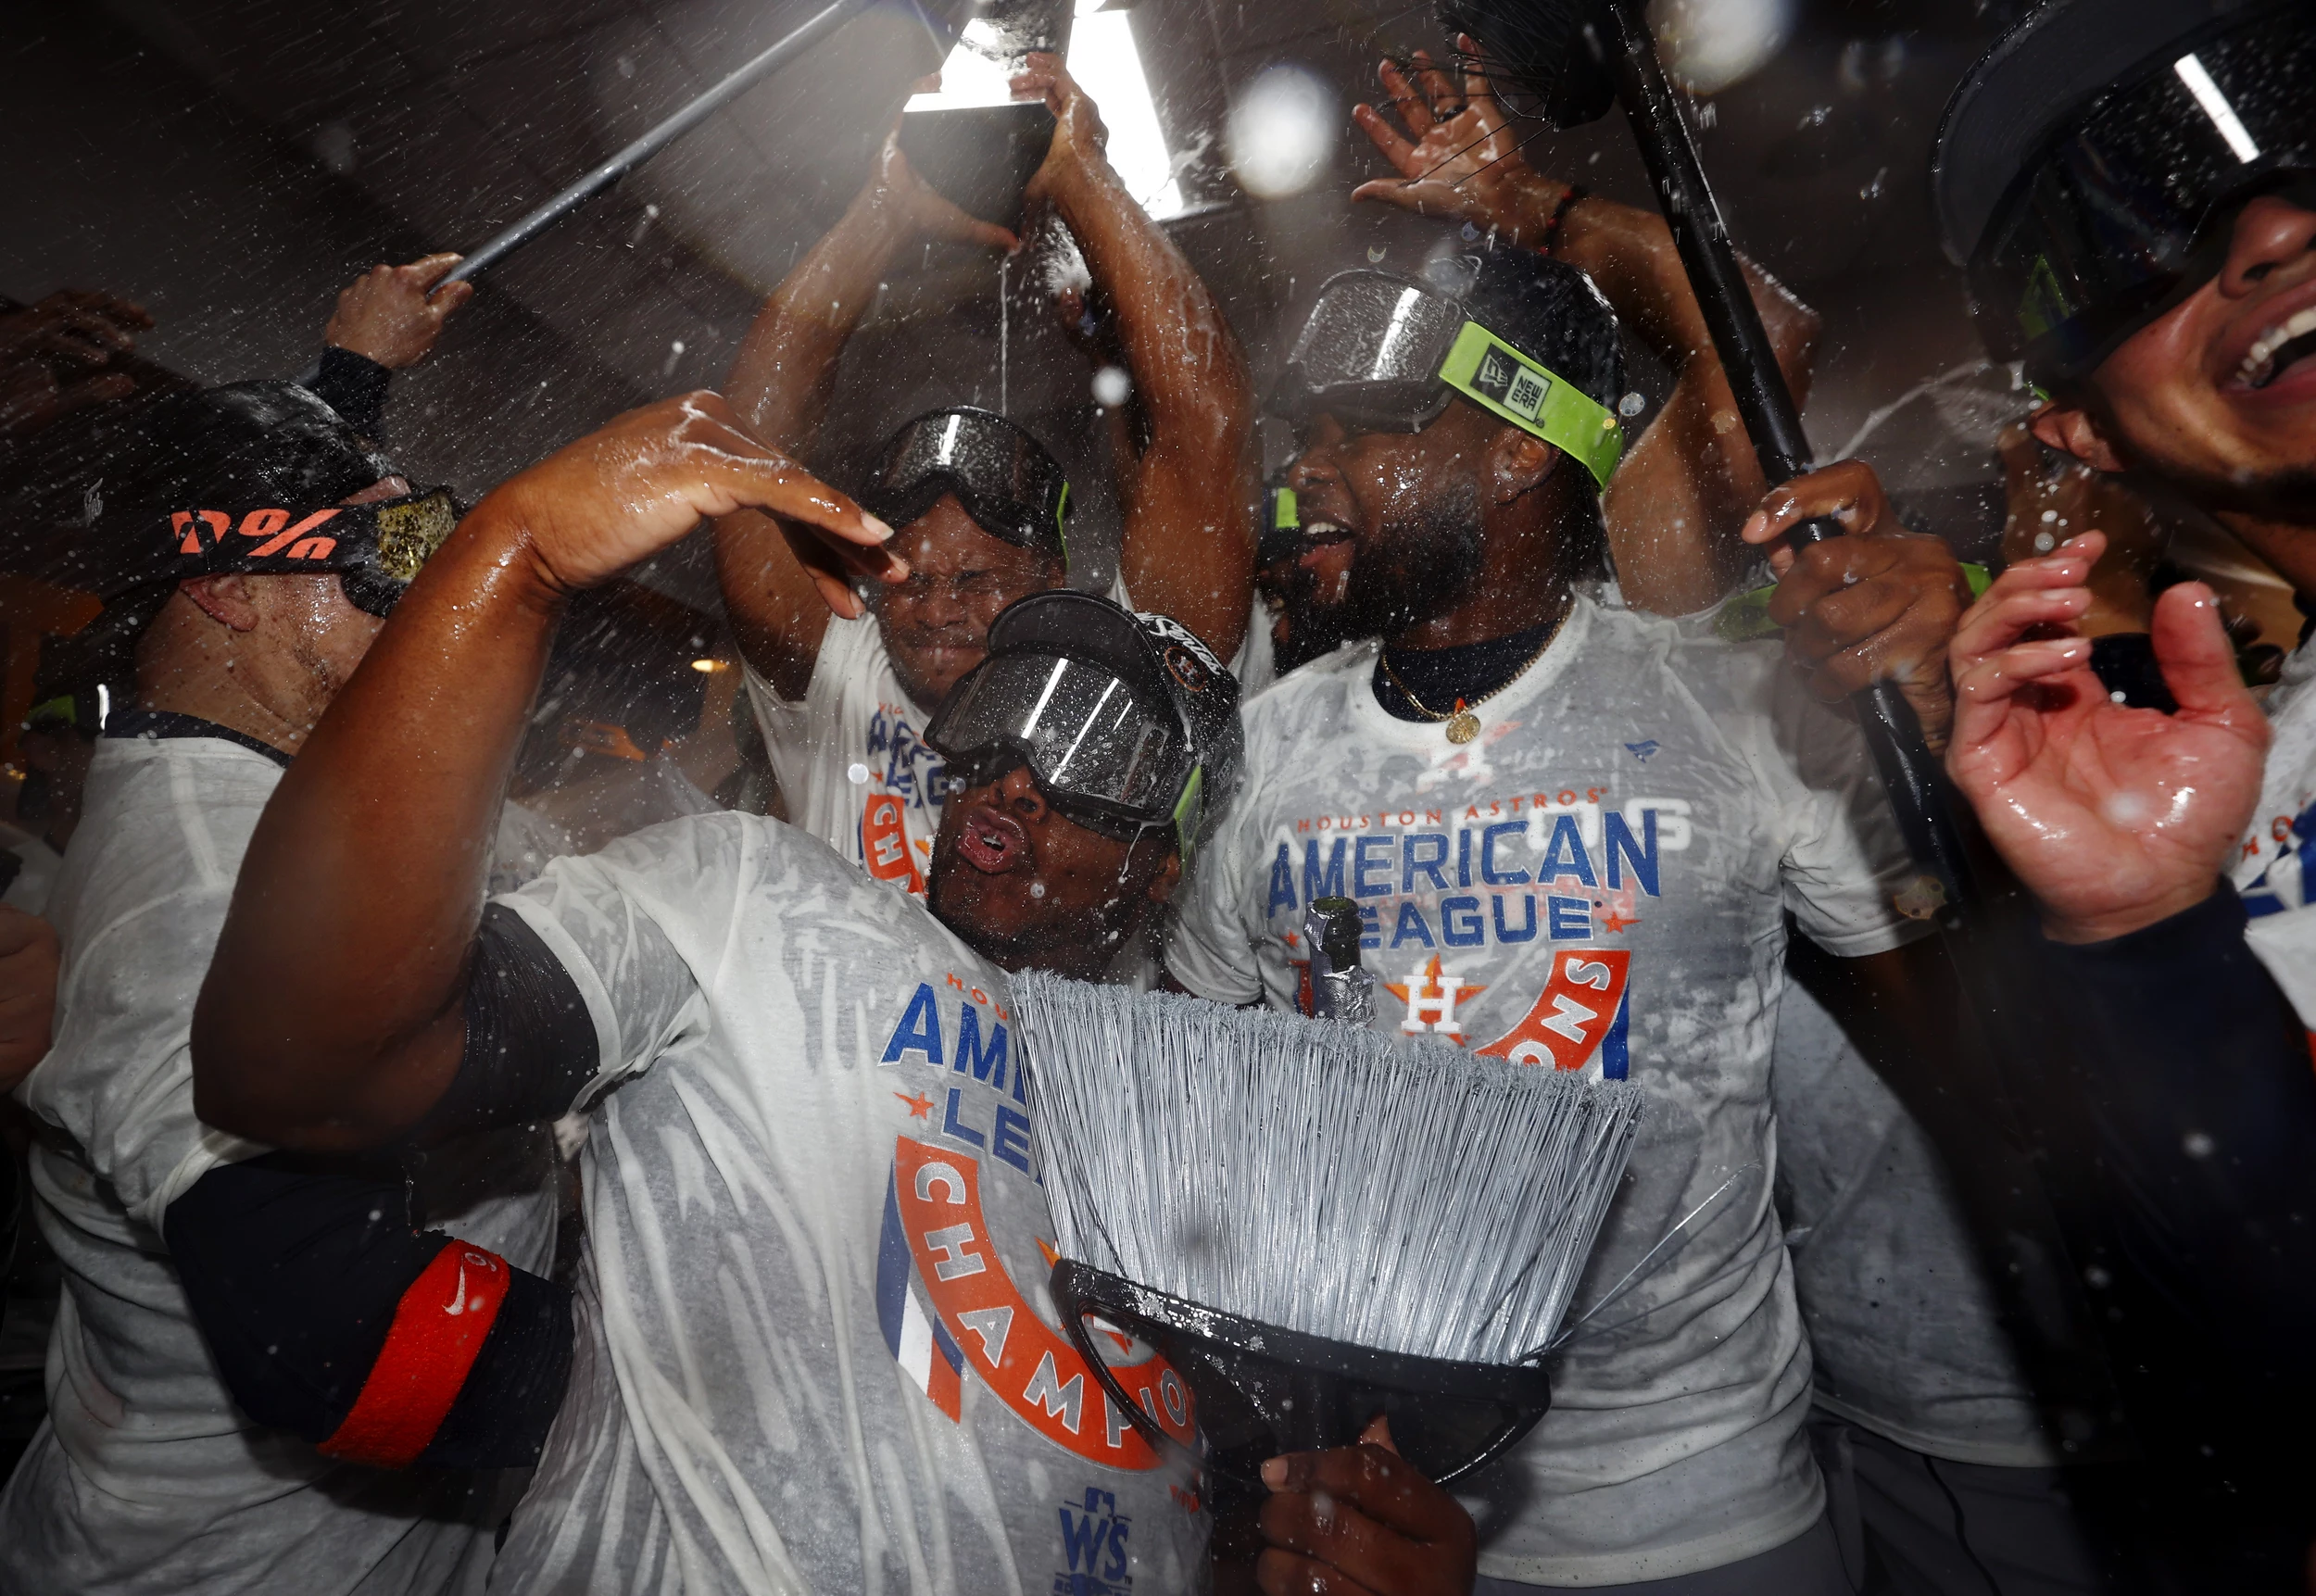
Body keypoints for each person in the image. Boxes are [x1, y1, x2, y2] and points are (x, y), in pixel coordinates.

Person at [184, 391, 1478, 1595]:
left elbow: (1256, 1480)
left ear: (1163, 864)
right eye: (1006, 713)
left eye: (1102, 755)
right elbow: (304, 1057)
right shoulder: (751, 904)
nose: (1022, 773)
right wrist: (509, 567)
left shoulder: (1212, 1113)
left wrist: (1360, 1549)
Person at [1162, 232, 1971, 1593]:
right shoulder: (1268, 749)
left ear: (1522, 444)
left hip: (1706, 1512)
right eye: (1307, 435)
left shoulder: (1735, 712)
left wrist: (1942, 745)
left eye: (1368, 427)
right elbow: (1206, 1114)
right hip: (1374, 1507)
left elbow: (1973, 1058)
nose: (1307, 471)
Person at [0, 381, 554, 1595]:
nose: (415, 600)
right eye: (374, 563)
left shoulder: (274, 802)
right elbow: (342, 1336)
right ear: (227, 584)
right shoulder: (205, 889)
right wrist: (700, 1376)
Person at [715, 56, 1256, 901]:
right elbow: (747, 440)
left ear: (1054, 579)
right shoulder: (837, 674)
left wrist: (1082, 178)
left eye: (975, 578)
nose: (936, 609)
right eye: (910, 578)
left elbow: (1206, 430)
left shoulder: (1113, 681)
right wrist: (883, 212)